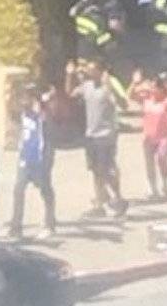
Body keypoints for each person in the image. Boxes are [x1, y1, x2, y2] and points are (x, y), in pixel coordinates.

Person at [67, 60, 127, 218]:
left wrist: (110, 88)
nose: (89, 73)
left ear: (101, 71)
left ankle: (118, 198)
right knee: (95, 171)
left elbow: (124, 104)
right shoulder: (87, 86)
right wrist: (69, 74)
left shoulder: (108, 86)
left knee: (106, 170)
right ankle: (100, 204)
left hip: (106, 135)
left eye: (93, 70)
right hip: (91, 135)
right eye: (88, 70)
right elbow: (70, 93)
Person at [7, 89, 56, 240]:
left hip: (40, 159)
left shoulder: (42, 117)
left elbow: (48, 120)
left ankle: (49, 224)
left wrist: (43, 104)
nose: (24, 102)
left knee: (45, 190)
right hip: (25, 160)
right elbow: (11, 112)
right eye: (22, 99)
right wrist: (8, 97)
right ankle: (16, 227)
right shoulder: (22, 114)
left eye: (27, 99)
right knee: (18, 190)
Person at [130, 74, 167, 200]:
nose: (152, 90)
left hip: (163, 137)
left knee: (161, 160)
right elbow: (130, 96)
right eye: (152, 87)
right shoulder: (146, 100)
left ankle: (165, 185)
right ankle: (151, 187)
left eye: (155, 88)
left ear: (160, 89)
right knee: (149, 163)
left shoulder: (165, 101)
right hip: (148, 136)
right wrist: (134, 83)